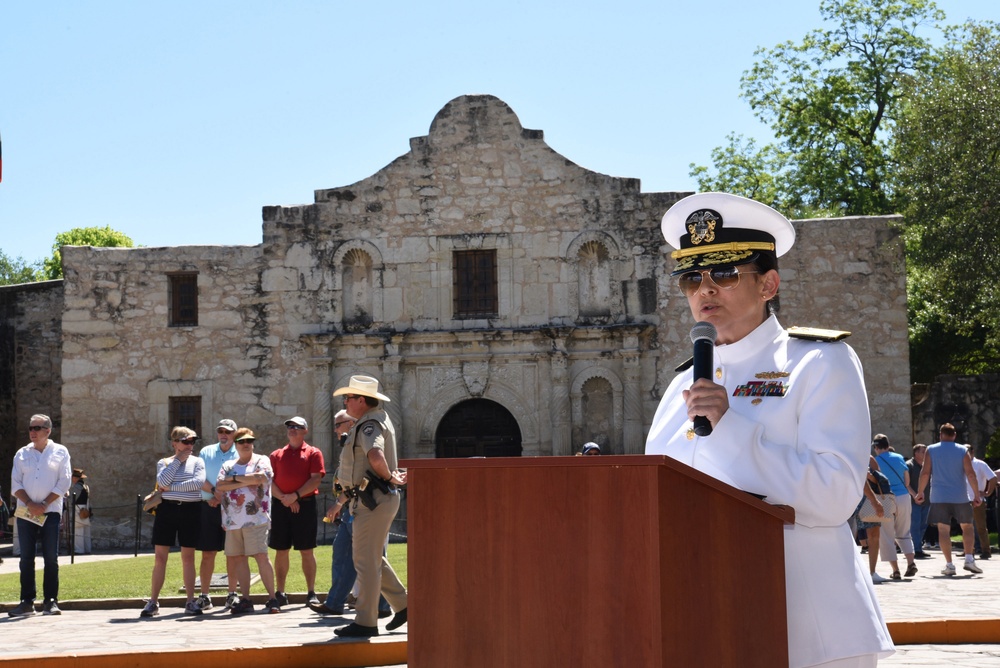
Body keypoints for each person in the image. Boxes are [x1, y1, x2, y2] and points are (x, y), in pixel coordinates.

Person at [644, 192, 893, 667]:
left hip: (807, 630)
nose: (705, 289)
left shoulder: (819, 361)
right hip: (702, 621)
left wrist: (730, 427)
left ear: (769, 284)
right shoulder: (682, 384)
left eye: (724, 273)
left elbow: (835, 494)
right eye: (691, 278)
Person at [331, 375, 408, 638]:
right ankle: (404, 605)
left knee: (364, 561)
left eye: (348, 397)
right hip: (370, 499)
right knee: (372, 557)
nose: (345, 401)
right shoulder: (373, 420)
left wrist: (388, 476)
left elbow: (375, 456)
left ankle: (365, 621)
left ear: (361, 400)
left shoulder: (369, 425)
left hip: (373, 499)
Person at [311, 410, 392, 618]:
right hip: (352, 508)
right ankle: (335, 601)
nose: (335, 430)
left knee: (373, 558)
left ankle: (382, 605)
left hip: (367, 506)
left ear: (350, 423)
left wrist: (338, 503)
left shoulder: (366, 436)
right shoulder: (349, 445)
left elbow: (365, 476)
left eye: (338, 425)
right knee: (343, 554)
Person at [9, 414, 72, 617]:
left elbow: (64, 482)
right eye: (30, 428)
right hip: (26, 511)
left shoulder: (61, 452)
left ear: (48, 430)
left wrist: (44, 503)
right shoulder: (21, 454)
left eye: (37, 428)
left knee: (51, 558)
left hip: (51, 511)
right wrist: (30, 504)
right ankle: (26, 602)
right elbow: (15, 484)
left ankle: (51, 601)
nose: (32, 432)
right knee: (26, 557)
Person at [141, 426, 206, 617]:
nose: (190, 445)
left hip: (190, 510)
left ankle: (190, 601)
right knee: (160, 557)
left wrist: (171, 488)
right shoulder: (164, 462)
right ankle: (153, 601)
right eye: (186, 441)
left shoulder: (198, 461)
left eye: (192, 442)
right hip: (167, 511)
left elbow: (198, 483)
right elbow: (162, 483)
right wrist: (177, 461)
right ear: (174, 443)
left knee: (188, 557)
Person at [216, 428, 281, 614]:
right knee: (238, 559)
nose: (246, 444)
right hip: (232, 520)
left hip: (256, 518)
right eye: (242, 441)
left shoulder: (262, 460)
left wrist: (234, 480)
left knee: (261, 556)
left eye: (249, 440)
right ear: (235, 444)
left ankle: (272, 599)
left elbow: (262, 478)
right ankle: (245, 599)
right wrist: (248, 480)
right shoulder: (228, 464)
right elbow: (220, 485)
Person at [268, 415, 325, 607]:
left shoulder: (313, 453)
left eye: (297, 426)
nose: (292, 429)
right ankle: (280, 591)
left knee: (306, 550)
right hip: (281, 506)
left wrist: (296, 496)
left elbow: (316, 479)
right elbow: (270, 482)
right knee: (281, 549)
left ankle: (311, 592)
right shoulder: (276, 455)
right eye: (289, 426)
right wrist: (286, 499)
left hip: (305, 505)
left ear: (305, 431)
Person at [915, 423, 983, 576]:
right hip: (960, 496)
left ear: (940, 435)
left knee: (943, 530)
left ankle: (949, 565)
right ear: (954, 435)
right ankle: (969, 559)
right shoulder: (962, 450)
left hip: (939, 496)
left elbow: (925, 473)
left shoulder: (931, 450)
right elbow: (970, 474)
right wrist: (976, 495)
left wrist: (920, 492)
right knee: (967, 527)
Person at [194, 418, 240, 611]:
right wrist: (215, 492)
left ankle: (232, 594)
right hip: (209, 507)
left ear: (234, 435)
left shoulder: (240, 453)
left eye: (228, 432)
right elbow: (199, 477)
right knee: (208, 553)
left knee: (232, 553)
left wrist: (222, 497)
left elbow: (241, 480)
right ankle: (204, 596)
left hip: (231, 508)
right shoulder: (206, 452)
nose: (224, 434)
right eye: (221, 431)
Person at [871, 435, 917, 579]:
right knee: (904, 532)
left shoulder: (875, 461)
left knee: (886, 535)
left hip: (885, 498)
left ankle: (896, 570)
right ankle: (911, 562)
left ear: (876, 447)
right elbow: (907, 480)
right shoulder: (899, 457)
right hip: (903, 497)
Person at [966, 446, 996, 560]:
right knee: (966, 526)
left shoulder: (980, 464)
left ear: (972, 452)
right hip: (964, 499)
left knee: (980, 527)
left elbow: (992, 478)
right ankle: (968, 550)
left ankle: (986, 550)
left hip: (977, 499)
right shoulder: (962, 464)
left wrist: (988, 492)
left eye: (967, 452)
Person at [906, 444, 931, 558]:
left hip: (927, 501)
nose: (925, 454)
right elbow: (906, 484)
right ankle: (917, 549)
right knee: (915, 525)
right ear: (916, 453)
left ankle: (917, 546)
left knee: (924, 525)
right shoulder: (909, 465)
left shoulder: (928, 465)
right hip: (913, 501)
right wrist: (915, 496)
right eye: (923, 452)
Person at [69, 468, 92, 554]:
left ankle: (79, 550)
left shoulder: (77, 487)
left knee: (78, 530)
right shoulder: (86, 486)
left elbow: (72, 499)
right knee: (86, 531)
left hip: (78, 509)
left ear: (75, 478)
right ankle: (87, 549)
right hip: (85, 508)